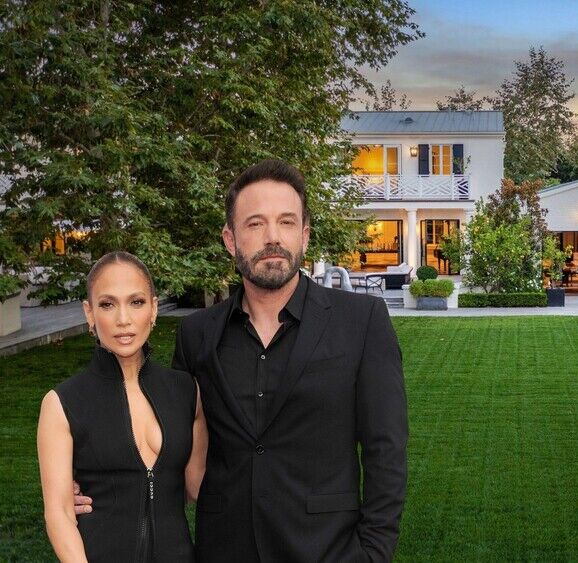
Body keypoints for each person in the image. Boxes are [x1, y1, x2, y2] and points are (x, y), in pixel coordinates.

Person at [77, 160, 408, 561]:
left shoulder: (361, 321)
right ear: (231, 240)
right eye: (255, 224)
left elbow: (386, 449)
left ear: (304, 235)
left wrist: (373, 552)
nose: (273, 237)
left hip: (328, 549)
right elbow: (171, 448)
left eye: (286, 222)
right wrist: (95, 486)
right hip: (224, 549)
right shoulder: (197, 334)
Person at [38, 251, 208, 562]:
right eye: (107, 304)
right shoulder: (62, 403)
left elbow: (198, 486)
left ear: (153, 309)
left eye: (136, 302)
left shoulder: (186, 391)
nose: (123, 319)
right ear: (89, 313)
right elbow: (59, 512)